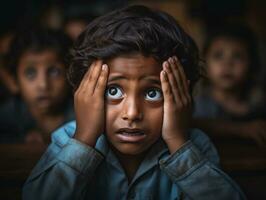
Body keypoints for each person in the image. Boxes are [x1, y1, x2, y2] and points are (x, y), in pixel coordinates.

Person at [23, 5, 245, 199]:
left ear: (181, 95)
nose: (132, 113)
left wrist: (177, 142)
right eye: (113, 90)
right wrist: (84, 140)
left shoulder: (193, 145)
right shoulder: (67, 140)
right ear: (85, 93)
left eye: (152, 93)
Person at [193, 25, 266, 147]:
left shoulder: (258, 105)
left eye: (237, 56)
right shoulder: (198, 105)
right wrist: (241, 129)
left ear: (252, 64)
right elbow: (190, 125)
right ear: (205, 64)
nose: (227, 64)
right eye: (218, 55)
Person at [0, 28, 74, 144]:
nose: (43, 85)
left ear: (70, 75)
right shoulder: (6, 117)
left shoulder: (80, 115)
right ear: (14, 81)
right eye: (30, 73)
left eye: (54, 72)